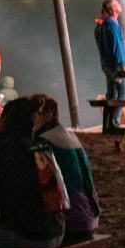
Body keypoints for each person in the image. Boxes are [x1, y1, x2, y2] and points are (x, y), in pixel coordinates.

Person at [0, 97, 68, 248]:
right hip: (58, 230)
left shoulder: (5, 149)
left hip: (33, 236)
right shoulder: (40, 147)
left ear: (6, 120)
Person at [32, 94, 101, 235]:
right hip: (92, 215)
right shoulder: (69, 136)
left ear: (44, 116)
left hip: (73, 220)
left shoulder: (44, 142)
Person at [93, 0, 125, 133]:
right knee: (123, 93)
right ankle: (114, 123)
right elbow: (117, 48)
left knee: (111, 94)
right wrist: (122, 65)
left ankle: (107, 124)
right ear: (113, 8)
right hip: (115, 66)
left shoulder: (103, 26)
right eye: (117, 3)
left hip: (106, 65)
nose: (119, 4)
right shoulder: (113, 25)